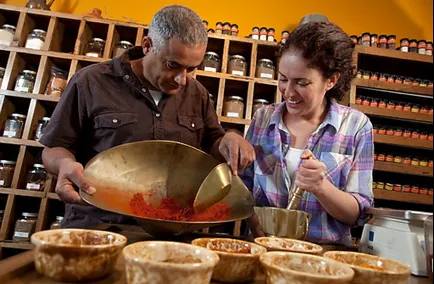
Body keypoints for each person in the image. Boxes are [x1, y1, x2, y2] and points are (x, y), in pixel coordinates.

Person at [39, 5, 255, 229]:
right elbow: (53, 147)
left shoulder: (197, 93)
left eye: (192, 69)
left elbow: (212, 144)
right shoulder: (90, 82)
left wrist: (229, 140)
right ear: (147, 45)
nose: (182, 79)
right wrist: (64, 164)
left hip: (172, 231)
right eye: (172, 65)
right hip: (99, 225)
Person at [240, 22, 374, 246]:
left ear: (331, 80)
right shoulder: (263, 118)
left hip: (324, 257)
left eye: (302, 83)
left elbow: (357, 214)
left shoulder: (356, 127)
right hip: (263, 249)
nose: (289, 92)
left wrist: (322, 187)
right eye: (283, 79)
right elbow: (243, 189)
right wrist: (255, 226)